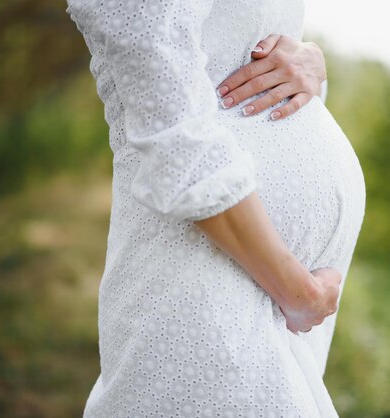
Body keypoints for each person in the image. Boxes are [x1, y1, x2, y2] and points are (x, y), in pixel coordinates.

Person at [66, 0, 366, 416]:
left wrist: (309, 61)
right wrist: (294, 288)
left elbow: (238, 57)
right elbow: (170, 122)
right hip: (207, 267)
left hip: (273, 292)